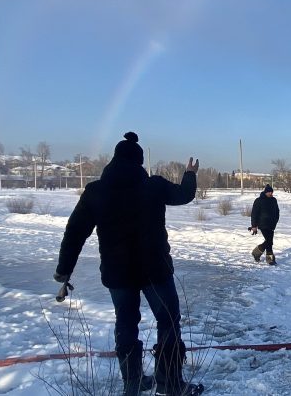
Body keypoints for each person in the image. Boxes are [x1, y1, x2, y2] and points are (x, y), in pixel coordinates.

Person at [54, 132, 203, 396]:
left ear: (113, 160)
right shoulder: (153, 186)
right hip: (155, 271)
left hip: (118, 274)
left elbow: (75, 231)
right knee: (168, 321)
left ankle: (132, 385)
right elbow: (183, 195)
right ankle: (169, 384)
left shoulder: (95, 191)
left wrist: (64, 269)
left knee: (125, 323)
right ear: (139, 162)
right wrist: (190, 174)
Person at [249, 184, 280, 265]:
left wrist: (276, 220)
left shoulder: (274, 200)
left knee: (269, 242)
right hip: (263, 224)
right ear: (265, 192)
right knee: (269, 241)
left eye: (271, 192)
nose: (271, 193)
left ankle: (257, 253)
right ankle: (269, 259)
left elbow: (277, 211)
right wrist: (254, 226)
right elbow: (254, 214)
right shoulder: (259, 200)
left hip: (272, 224)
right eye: (269, 192)